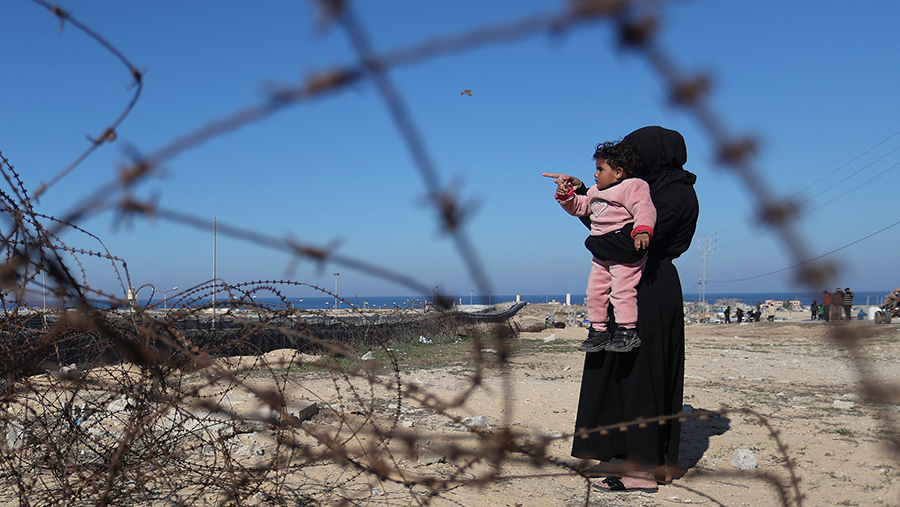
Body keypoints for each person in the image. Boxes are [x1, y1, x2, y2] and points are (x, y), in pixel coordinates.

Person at [553, 126, 698, 492]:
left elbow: (629, 241)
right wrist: (584, 193)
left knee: (641, 376)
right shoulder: (642, 187)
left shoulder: (674, 194)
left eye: (633, 153)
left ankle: (643, 470)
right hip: (628, 286)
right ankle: (621, 452)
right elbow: (607, 220)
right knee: (616, 371)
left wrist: (592, 241)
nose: (627, 160)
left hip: (650, 288)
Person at [549, 141, 656, 353]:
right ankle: (598, 330)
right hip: (601, 250)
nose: (595, 174)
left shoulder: (632, 186)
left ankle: (627, 330)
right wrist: (566, 195)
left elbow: (644, 208)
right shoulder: (595, 191)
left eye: (600, 169)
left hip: (623, 249)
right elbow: (580, 208)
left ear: (618, 172)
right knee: (595, 291)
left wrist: (643, 230)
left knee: (622, 290)